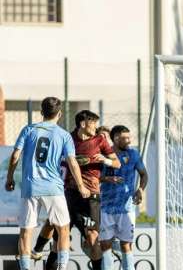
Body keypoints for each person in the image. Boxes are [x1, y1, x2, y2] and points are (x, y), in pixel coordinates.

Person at [5, 97, 90, 270]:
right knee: (63, 229)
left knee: (26, 231)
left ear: (41, 112)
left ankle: (25, 268)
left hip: (30, 188)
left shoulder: (29, 129)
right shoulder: (64, 135)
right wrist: (81, 186)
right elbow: (72, 163)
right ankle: (61, 267)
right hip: (53, 188)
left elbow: (15, 156)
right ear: (59, 114)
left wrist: (10, 178)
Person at [48, 111, 121, 270]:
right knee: (59, 237)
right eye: (93, 123)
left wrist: (106, 160)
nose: (95, 126)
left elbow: (117, 164)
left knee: (92, 236)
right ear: (83, 124)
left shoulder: (100, 140)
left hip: (91, 196)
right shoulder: (67, 138)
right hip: (69, 194)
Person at [100, 125, 148, 270]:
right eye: (125, 138)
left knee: (126, 245)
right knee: (105, 245)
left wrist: (140, 189)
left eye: (129, 137)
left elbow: (144, 174)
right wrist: (107, 179)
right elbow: (95, 177)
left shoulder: (133, 154)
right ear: (115, 139)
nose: (129, 140)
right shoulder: (104, 155)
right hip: (105, 207)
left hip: (127, 208)